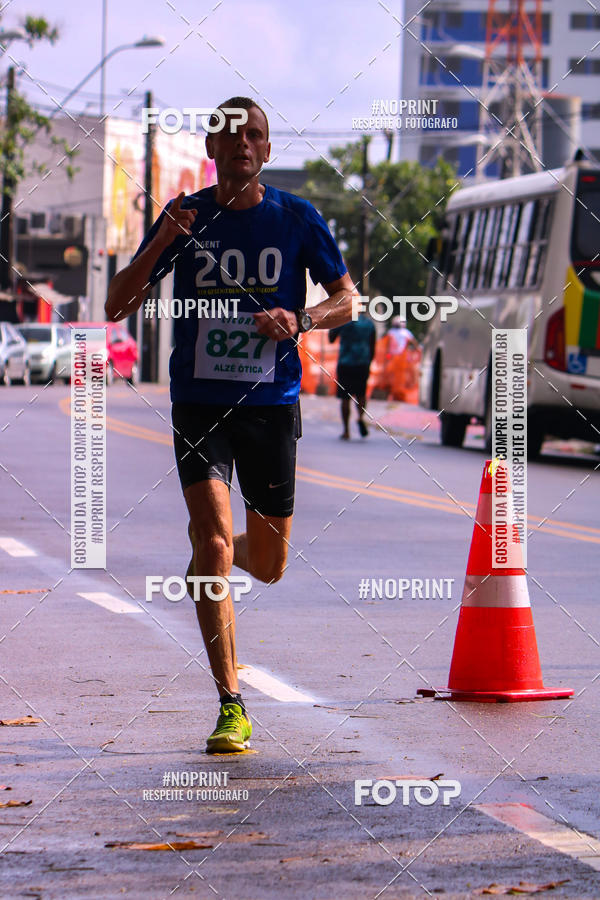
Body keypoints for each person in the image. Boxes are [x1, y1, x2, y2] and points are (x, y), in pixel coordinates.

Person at [105, 96, 357, 753]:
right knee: (215, 543)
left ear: (268, 151)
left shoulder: (297, 218)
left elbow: (347, 300)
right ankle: (231, 703)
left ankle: (205, 570)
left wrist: (300, 320)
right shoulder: (185, 217)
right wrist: (162, 239)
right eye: (229, 135)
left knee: (269, 563)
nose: (242, 144)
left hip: (271, 403)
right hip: (200, 403)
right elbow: (113, 304)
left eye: (255, 135)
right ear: (211, 150)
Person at [328, 310, 376, 439]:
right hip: (363, 363)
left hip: (345, 363)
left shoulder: (344, 321)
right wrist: (368, 362)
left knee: (345, 397)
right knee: (361, 394)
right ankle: (360, 417)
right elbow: (372, 346)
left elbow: (331, 338)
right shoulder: (369, 324)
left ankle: (346, 431)